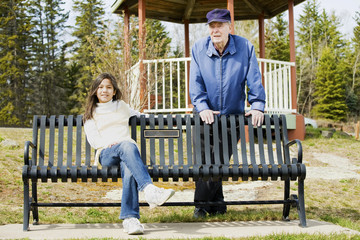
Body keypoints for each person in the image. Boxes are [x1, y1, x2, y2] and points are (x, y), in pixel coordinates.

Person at [189, 9, 266, 218]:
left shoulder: (245, 47)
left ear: (229, 27)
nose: (215, 30)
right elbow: (195, 84)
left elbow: (254, 79)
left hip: (232, 118)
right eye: (212, 26)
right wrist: (202, 106)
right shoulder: (198, 48)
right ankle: (216, 204)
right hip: (204, 116)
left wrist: (257, 104)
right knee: (203, 162)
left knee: (220, 162)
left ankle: (201, 205)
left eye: (220, 25)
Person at [83, 73, 175, 235]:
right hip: (106, 153)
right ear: (95, 91)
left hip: (127, 153)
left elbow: (141, 116)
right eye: (101, 87)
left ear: (114, 91)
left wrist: (169, 119)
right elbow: (93, 139)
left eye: (109, 87)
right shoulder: (91, 112)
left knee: (128, 166)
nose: (105, 90)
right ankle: (148, 189)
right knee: (126, 144)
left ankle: (130, 219)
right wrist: (106, 144)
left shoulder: (121, 106)